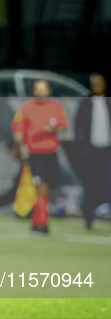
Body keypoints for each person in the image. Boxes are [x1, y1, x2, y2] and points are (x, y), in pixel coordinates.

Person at [12, 79, 68, 234]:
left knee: (47, 188)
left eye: (44, 89)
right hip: (34, 153)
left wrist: (53, 128)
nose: (41, 92)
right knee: (39, 186)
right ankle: (42, 223)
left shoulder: (56, 106)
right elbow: (18, 130)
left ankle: (37, 221)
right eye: (38, 89)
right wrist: (21, 146)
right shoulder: (26, 108)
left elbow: (63, 126)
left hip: (51, 152)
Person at [75, 73, 111, 229]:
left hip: (108, 151)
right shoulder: (85, 104)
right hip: (91, 151)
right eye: (94, 83)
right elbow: (78, 129)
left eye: (99, 82)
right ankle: (88, 217)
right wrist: (84, 150)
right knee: (90, 185)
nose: (96, 85)